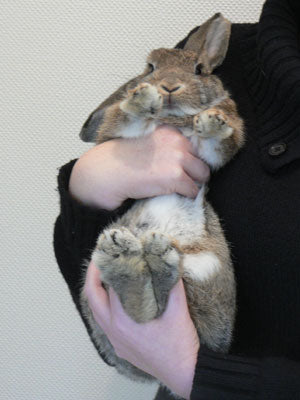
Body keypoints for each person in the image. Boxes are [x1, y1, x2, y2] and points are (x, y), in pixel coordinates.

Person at [53, 0, 300, 398]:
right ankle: (138, 283)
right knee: (124, 261)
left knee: (199, 269)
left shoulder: (217, 101)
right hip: (141, 242)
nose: (167, 83)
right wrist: (90, 183)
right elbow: (109, 323)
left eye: (197, 70)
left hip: (202, 279)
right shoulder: (234, 58)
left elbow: (225, 144)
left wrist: (191, 370)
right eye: (153, 72)